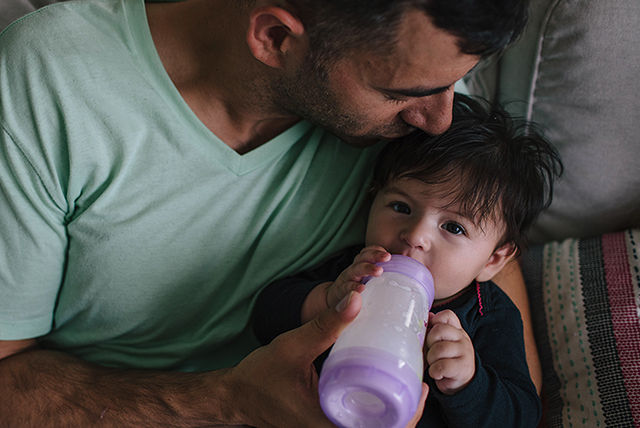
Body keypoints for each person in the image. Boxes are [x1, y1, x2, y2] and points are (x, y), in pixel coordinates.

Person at [0, 0, 531, 425]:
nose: (440, 119)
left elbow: (485, 241)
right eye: (402, 93)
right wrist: (229, 402)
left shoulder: (420, 53)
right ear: (275, 37)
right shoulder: (50, 86)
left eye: (455, 83)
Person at [253, 95, 562, 427]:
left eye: (454, 227)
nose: (415, 235)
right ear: (372, 200)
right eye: (401, 207)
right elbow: (264, 316)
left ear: (494, 259)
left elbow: (522, 417)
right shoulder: (354, 272)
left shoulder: (488, 316)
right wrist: (325, 301)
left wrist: (469, 382)